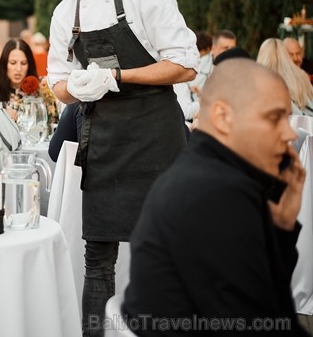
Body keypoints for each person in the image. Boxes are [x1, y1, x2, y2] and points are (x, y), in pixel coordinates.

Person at [44, 0, 198, 336]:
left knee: (170, 251)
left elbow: (185, 65)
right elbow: (56, 82)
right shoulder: (64, 13)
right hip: (104, 142)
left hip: (157, 139)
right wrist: (77, 88)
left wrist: (117, 75)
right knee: (98, 261)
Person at [122, 59, 308, 337]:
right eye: (274, 117)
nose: (290, 132)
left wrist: (281, 226)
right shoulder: (215, 194)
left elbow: (267, 302)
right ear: (222, 117)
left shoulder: (205, 172)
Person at [257, 38, 313, 116]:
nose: (295, 58)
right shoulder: (301, 75)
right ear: (285, 54)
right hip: (302, 124)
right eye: (291, 54)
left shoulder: (258, 80)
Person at [0, 38, 39, 111]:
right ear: (4, 64)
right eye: (13, 63)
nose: (18, 69)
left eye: (23, 63)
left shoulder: (41, 90)